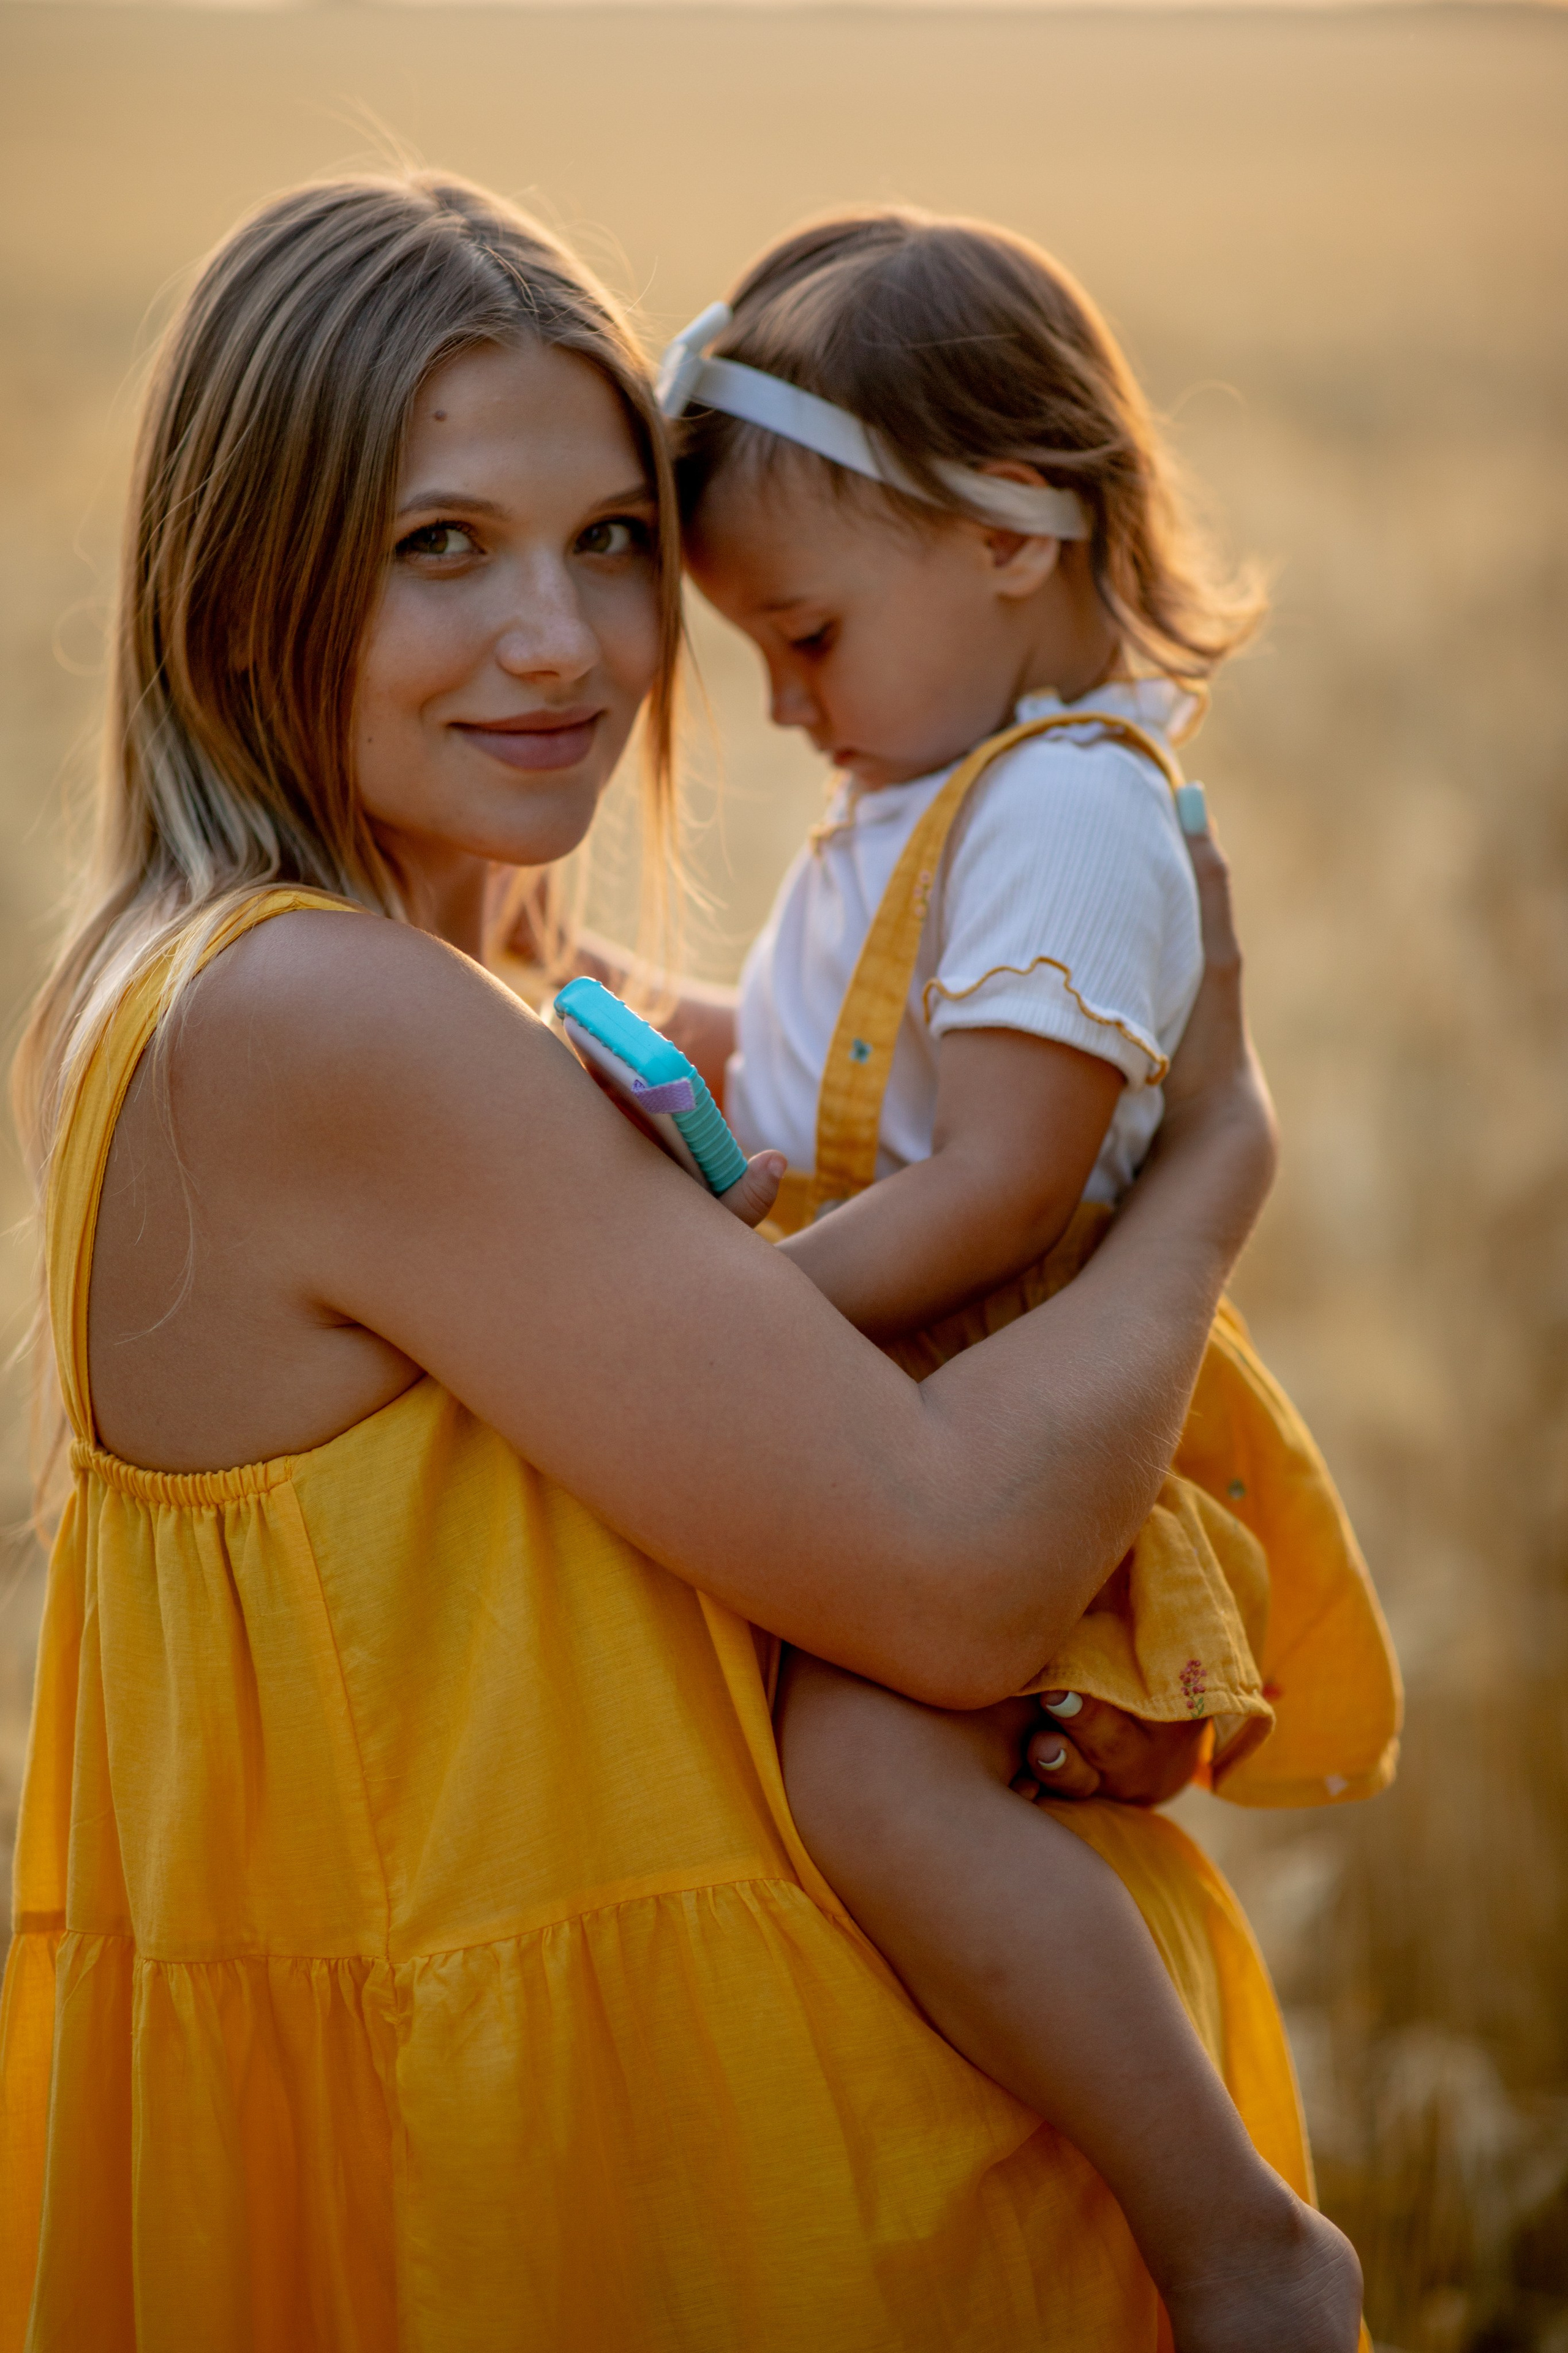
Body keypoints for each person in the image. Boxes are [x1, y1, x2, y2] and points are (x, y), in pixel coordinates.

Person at [2, 172, 1357, 2351]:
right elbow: (950, 1569)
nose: (572, 643)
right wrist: (1209, 1159)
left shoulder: (430, 989)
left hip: (745, 2135)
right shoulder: (320, 1021)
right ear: (247, 582)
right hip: (616, 2196)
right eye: (439, 543)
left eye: (613, 543)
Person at [655, 208, 1393, 2343]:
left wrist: (729, 1326)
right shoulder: (925, 787)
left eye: (804, 635)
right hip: (882, 1379)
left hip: (986, 1399)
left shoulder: (1070, 806)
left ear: (1010, 530)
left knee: (882, 1779)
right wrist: (664, 1032)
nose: (785, 703)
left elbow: (994, 1181)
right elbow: (843, 1074)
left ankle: (1239, 2234)